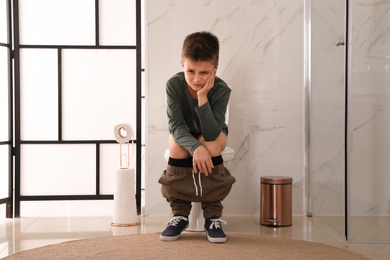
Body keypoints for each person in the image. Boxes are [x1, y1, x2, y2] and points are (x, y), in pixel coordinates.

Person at [158, 31, 235, 243]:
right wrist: (195, 147)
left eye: (204, 72)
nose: (196, 79)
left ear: (215, 69)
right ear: (182, 63)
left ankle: (212, 216)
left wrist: (202, 97)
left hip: (214, 132)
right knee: (176, 148)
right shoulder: (173, 85)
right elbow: (175, 125)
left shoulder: (221, 90)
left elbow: (211, 133)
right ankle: (180, 214)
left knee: (211, 146)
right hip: (184, 132)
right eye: (190, 71)